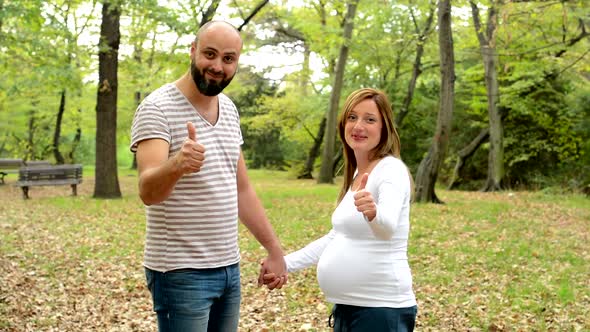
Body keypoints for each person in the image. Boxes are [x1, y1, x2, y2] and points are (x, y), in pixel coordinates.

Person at [130, 20, 287, 332]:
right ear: (193, 51)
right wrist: (177, 165)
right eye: (210, 54)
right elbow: (148, 191)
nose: (217, 66)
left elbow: (241, 190)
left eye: (228, 59)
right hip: (180, 272)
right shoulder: (156, 108)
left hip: (229, 268)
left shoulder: (229, 109)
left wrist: (275, 249)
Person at [262, 88, 418, 331]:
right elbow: (337, 237)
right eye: (352, 117)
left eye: (370, 119)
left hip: (381, 309)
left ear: (384, 127)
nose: (358, 126)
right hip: (348, 309)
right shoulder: (358, 173)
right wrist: (285, 263)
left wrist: (373, 213)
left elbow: (388, 228)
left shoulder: (390, 170)